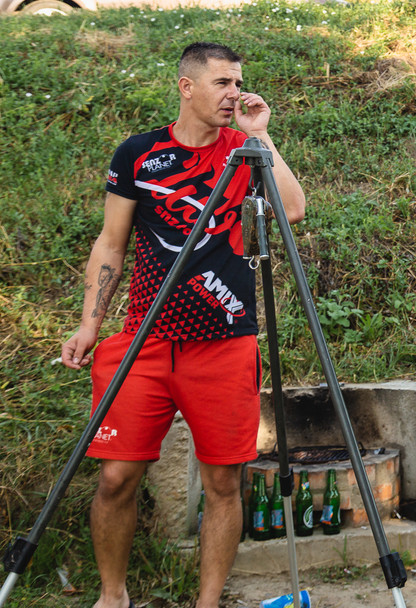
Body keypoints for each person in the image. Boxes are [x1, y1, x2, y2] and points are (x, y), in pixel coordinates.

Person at [61, 42, 306, 608]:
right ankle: (113, 597)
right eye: (222, 83)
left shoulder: (244, 154)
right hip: (144, 342)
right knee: (116, 478)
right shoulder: (139, 154)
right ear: (186, 86)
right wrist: (89, 325)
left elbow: (292, 209)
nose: (234, 93)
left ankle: (207, 603)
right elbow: (111, 244)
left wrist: (259, 136)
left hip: (224, 343)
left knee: (223, 483)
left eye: (238, 82)